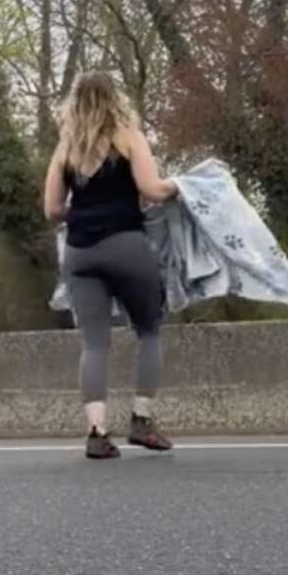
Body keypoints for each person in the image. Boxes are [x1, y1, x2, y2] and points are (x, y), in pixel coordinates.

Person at [43, 72, 178, 459]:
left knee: (94, 343)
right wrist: (178, 186)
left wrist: (85, 212)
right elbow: (152, 189)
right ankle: (142, 421)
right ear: (114, 97)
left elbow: (52, 209)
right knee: (149, 330)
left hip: (80, 252)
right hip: (126, 246)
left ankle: (97, 433)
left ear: (76, 102)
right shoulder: (129, 136)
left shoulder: (65, 148)